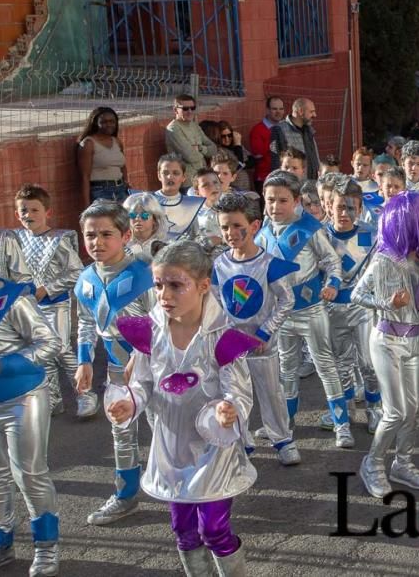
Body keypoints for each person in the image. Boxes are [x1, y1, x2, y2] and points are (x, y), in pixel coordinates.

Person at [109, 241, 257, 576]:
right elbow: (143, 384)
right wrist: (127, 403)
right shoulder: (150, 333)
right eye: (159, 285)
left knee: (214, 529)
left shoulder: (223, 338)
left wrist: (228, 408)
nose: (165, 295)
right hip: (172, 447)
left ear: (204, 286)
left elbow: (238, 389)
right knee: (183, 530)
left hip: (211, 450)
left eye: (177, 285)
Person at [352, 192, 419, 498]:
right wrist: (386, 303)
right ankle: (373, 462)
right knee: (395, 410)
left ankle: (402, 462)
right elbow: (356, 295)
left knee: (414, 408)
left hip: (415, 340)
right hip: (387, 340)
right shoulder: (383, 259)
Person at [0, 225, 61, 576]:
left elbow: (50, 343)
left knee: (29, 472)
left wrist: (5, 364)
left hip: (22, 398)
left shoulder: (12, 297)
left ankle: (46, 546)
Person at [74, 200, 156, 526]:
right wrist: (84, 362)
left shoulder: (146, 275)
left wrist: (143, 354)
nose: (97, 242)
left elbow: (164, 320)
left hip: (158, 367)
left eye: (106, 234)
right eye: (90, 235)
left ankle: (194, 490)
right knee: (122, 430)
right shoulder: (85, 279)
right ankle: (125, 495)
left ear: (124, 236)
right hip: (117, 367)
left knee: (170, 428)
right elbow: (84, 322)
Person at [256, 172, 347, 446]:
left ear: (296, 201)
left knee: (325, 366)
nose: (276, 206)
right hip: (281, 314)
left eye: (283, 200)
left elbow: (332, 261)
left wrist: (332, 284)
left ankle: (342, 424)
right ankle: (286, 422)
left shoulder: (310, 228)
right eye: (271, 200)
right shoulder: (262, 234)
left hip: (311, 309)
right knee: (287, 368)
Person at [211, 193, 301, 466]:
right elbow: (216, 303)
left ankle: (283, 439)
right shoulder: (220, 264)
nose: (230, 233)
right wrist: (225, 334)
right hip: (232, 347)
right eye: (224, 227)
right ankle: (242, 441)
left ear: (254, 226)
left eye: (237, 226)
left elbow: (287, 300)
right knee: (235, 394)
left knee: (271, 393)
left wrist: (265, 332)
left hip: (263, 345)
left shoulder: (268, 263)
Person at [13, 184, 93, 417]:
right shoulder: (16, 240)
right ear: (17, 214)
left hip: (55, 303)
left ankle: (85, 394)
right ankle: (53, 397)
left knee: (60, 348)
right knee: (41, 350)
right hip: (30, 307)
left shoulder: (58, 240)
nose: (29, 215)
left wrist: (46, 289)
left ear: (47, 212)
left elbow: (77, 272)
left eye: (35, 210)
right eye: (24, 211)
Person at [323, 178, 383, 435]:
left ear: (359, 210)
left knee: (369, 363)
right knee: (341, 363)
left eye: (351, 208)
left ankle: (375, 409)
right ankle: (346, 410)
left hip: (361, 308)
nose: (344, 213)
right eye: (339, 207)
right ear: (329, 207)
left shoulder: (370, 234)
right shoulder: (321, 236)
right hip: (332, 309)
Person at [78, 106, 128, 204]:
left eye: (112, 121)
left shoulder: (116, 141)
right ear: (95, 123)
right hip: (100, 192)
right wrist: (87, 206)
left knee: (123, 219)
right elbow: (85, 176)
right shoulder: (88, 143)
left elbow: (123, 166)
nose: (109, 125)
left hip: (121, 190)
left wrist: (126, 183)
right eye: (104, 122)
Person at [165, 94, 217, 187]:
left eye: (192, 108)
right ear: (175, 110)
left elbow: (213, 149)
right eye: (185, 109)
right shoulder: (173, 129)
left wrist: (200, 148)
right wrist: (203, 152)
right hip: (187, 182)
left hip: (202, 179)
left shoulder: (194, 126)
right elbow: (191, 157)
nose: (189, 111)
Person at [154, 154, 206, 241]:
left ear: (183, 177)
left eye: (176, 173)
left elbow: (195, 237)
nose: (170, 177)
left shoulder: (189, 205)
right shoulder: (148, 201)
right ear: (159, 175)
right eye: (165, 173)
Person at [270, 98, 321, 180]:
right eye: (311, 112)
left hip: (312, 184)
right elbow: (276, 162)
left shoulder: (309, 130)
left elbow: (315, 157)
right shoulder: (279, 130)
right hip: (293, 185)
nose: (315, 115)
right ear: (300, 111)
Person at [248, 96, 285, 185]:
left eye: (281, 109)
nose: (278, 112)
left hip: (283, 176)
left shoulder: (285, 128)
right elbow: (258, 155)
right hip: (265, 178)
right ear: (267, 110)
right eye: (274, 109)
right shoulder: (257, 130)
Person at [123, 192, 168, 261]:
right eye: (132, 215)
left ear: (155, 219)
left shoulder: (164, 245)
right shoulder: (121, 244)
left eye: (144, 215)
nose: (138, 219)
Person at [214, 121, 253, 192]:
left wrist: (238, 147)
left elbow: (252, 162)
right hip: (234, 186)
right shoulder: (220, 151)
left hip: (245, 184)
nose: (227, 139)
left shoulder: (237, 147)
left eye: (229, 135)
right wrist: (238, 146)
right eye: (223, 136)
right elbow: (238, 166)